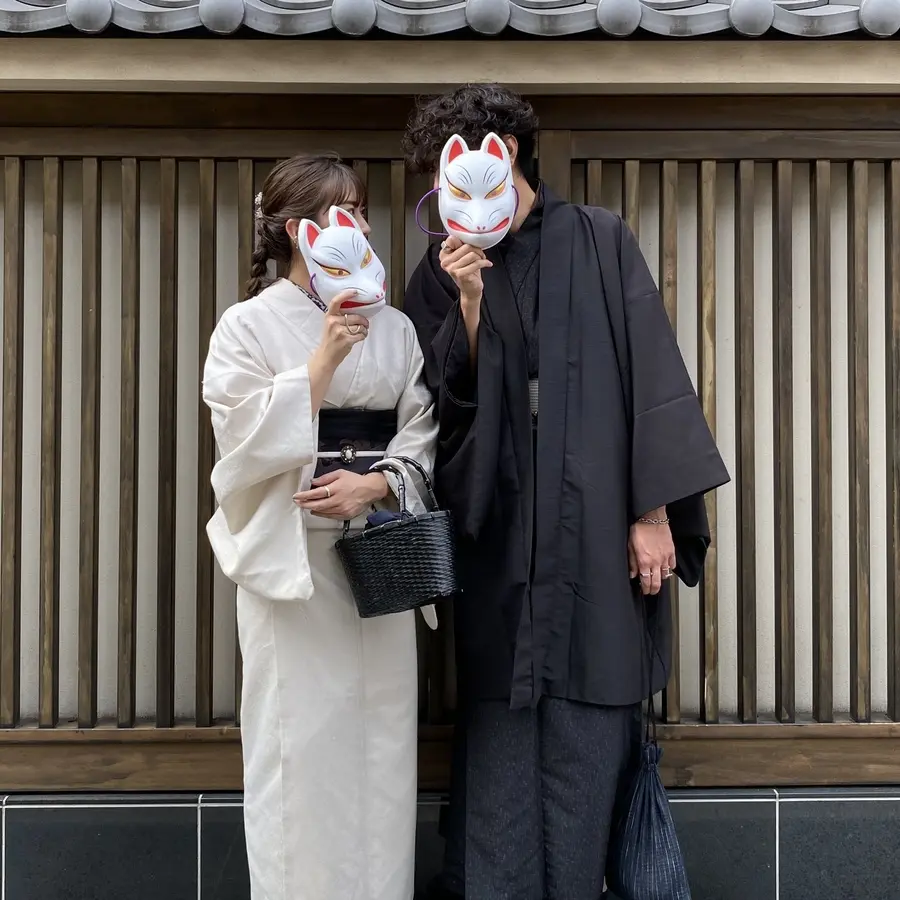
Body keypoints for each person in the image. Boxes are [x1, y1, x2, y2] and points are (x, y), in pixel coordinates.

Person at [402, 85, 730, 900]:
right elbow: (441, 409)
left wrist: (652, 511)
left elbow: (650, 372)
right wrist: (470, 301)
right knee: (502, 759)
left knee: (588, 732)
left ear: (506, 156)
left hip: (595, 530)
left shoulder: (599, 238)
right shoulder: (442, 266)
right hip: (502, 530)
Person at [203, 154, 438, 900]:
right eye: (347, 212)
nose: (362, 227)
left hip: (378, 558)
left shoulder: (395, 326)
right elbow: (239, 444)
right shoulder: (245, 327)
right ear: (300, 231)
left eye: (363, 211)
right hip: (293, 572)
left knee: (381, 756)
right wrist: (322, 362)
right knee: (295, 759)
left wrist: (377, 483)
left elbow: (422, 425)